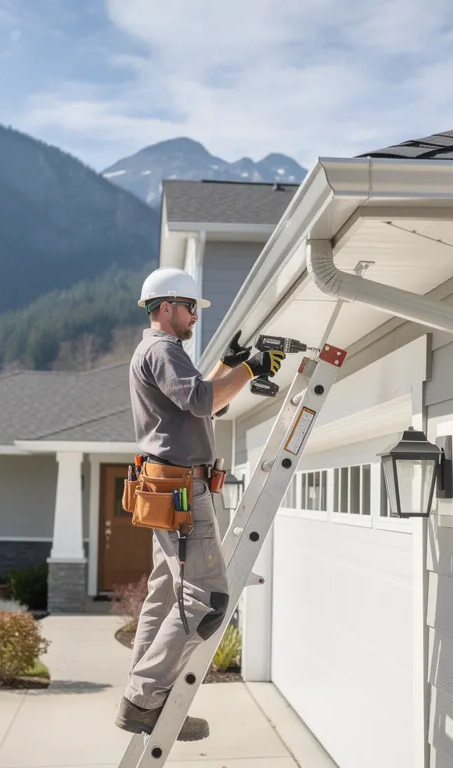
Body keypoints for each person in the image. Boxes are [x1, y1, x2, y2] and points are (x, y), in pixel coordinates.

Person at [116, 267, 284, 742]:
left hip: (167, 491)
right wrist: (250, 368)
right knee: (207, 600)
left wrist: (230, 367)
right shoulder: (162, 349)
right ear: (166, 307)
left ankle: (145, 697)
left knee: (164, 596)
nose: (194, 318)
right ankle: (145, 698)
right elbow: (201, 401)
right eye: (190, 308)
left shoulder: (154, 352)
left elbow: (197, 399)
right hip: (182, 494)